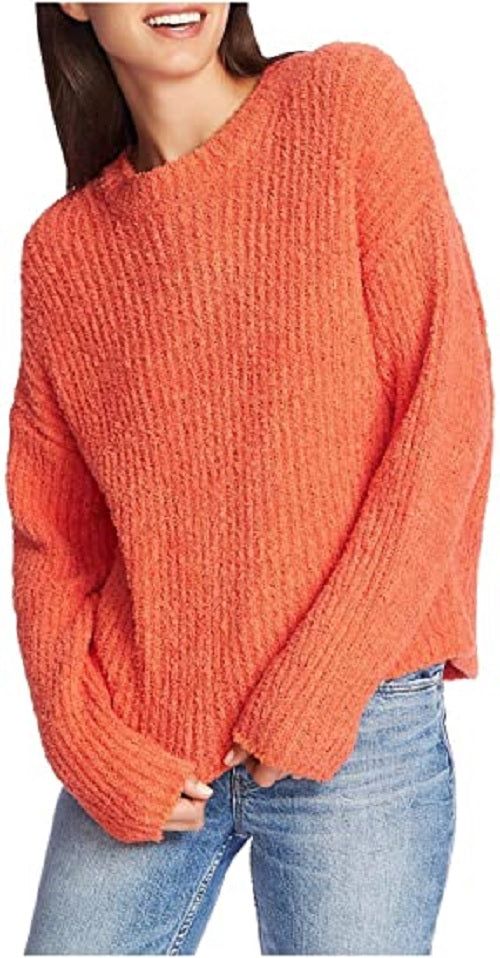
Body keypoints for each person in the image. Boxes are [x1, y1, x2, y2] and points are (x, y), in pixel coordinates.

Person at [6, 3, 493, 955]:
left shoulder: (344, 103)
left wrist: (320, 684)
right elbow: (52, 539)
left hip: (357, 725)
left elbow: (447, 408)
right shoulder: (63, 252)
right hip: (147, 736)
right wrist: (85, 743)